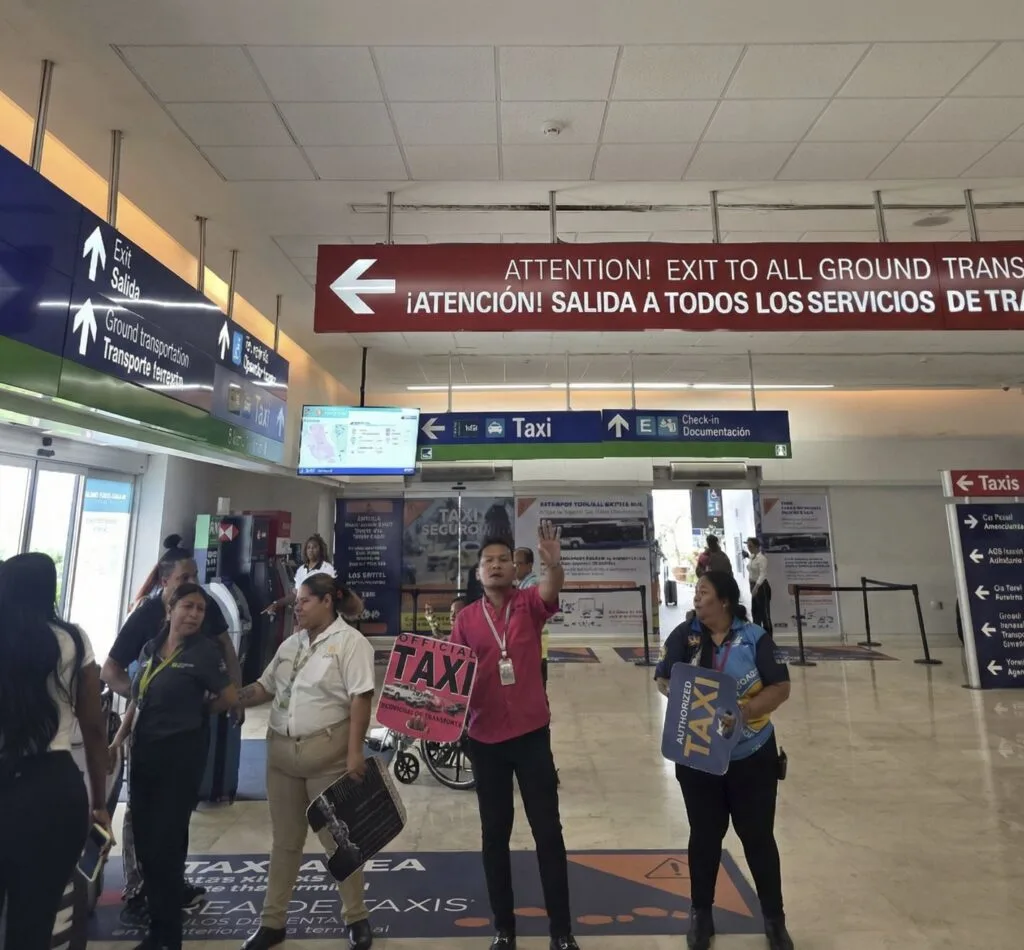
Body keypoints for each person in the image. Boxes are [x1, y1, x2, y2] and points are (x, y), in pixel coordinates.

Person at [451, 524, 579, 950]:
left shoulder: (528, 604)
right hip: (485, 738)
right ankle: (504, 929)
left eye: (503, 560)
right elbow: (452, 679)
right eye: (488, 561)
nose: (496, 566)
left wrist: (553, 562)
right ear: (477, 573)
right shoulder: (465, 620)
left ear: (514, 568)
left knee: (548, 831)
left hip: (530, 735)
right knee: (494, 835)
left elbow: (551, 588)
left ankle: (561, 932)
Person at [101, 536, 241, 922]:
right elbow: (110, 670)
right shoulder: (145, 621)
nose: (193, 586)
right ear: (165, 584)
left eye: (195, 576)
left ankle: (170, 884)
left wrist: (231, 698)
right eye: (184, 578)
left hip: (187, 737)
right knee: (143, 815)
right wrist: (147, 698)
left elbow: (225, 648)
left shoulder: (203, 609)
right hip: (148, 735)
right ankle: (139, 890)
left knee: (177, 813)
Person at [234, 575, 375, 950]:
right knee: (285, 842)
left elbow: (361, 698)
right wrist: (231, 698)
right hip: (282, 759)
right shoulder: (290, 644)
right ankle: (272, 922)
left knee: (339, 842)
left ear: (328, 601)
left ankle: (356, 916)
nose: (297, 607)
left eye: (305, 601)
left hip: (327, 759)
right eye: (296, 601)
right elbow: (265, 686)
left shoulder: (350, 643)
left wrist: (355, 752)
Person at [655, 572, 793, 950]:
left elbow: (781, 687)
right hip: (699, 756)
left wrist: (742, 712)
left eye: (704, 592)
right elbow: (662, 679)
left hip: (752, 755)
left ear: (725, 601)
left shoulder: (755, 638)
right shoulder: (684, 636)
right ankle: (701, 915)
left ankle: (774, 920)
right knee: (704, 837)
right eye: (696, 592)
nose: (697, 598)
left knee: (758, 839)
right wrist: (688, 698)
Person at [0, 553, 110, 950]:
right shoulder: (73, 640)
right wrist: (100, 803)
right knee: (34, 920)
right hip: (52, 788)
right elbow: (94, 728)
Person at [264, 533, 335, 615]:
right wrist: (277, 603)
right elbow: (295, 594)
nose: (311, 550)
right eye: (309, 547)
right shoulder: (301, 570)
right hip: (303, 614)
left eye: (314, 547)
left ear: (321, 550)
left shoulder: (327, 569)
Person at [513, 547, 551, 687]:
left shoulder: (532, 586)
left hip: (533, 649)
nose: (514, 567)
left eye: (518, 564)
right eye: (513, 563)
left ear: (529, 565)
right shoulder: (521, 586)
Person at [746, 537, 772, 635]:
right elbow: (751, 571)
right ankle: (757, 637)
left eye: (750, 546)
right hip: (753, 585)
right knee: (755, 612)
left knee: (765, 614)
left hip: (761, 587)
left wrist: (756, 588)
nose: (748, 548)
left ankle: (768, 637)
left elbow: (762, 575)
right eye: (748, 545)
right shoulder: (752, 557)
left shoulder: (762, 559)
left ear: (756, 546)